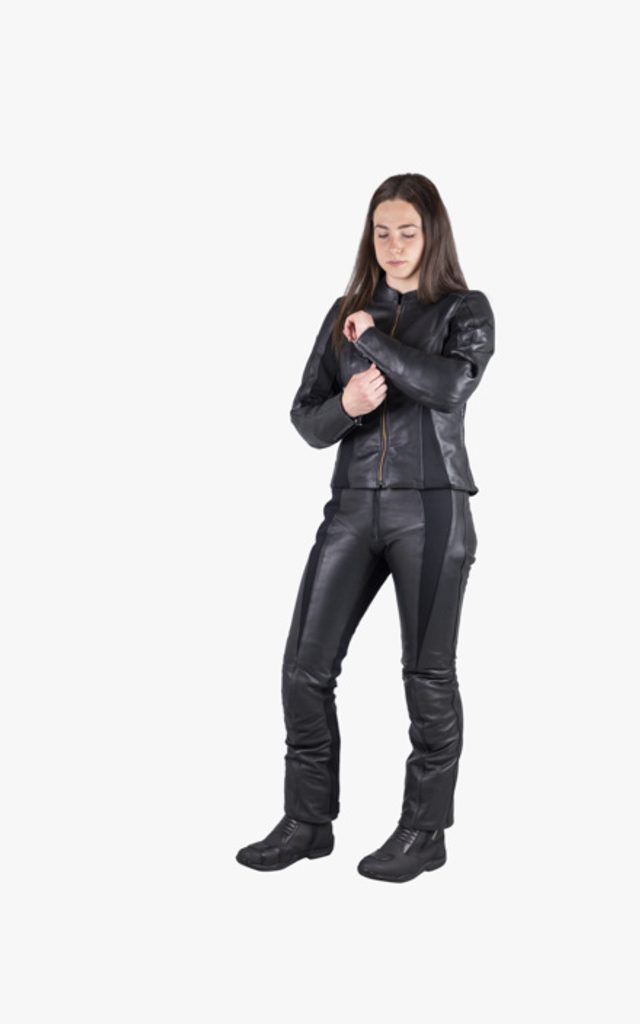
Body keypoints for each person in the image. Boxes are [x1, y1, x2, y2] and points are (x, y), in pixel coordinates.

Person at [236, 172, 495, 883]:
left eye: (408, 231)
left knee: (427, 675)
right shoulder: (344, 313)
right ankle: (307, 821)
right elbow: (306, 419)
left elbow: (448, 386)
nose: (394, 245)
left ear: (432, 234)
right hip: (352, 506)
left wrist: (375, 344)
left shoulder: (465, 309)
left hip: (431, 507)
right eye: (382, 232)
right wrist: (347, 404)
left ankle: (424, 832)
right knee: (303, 668)